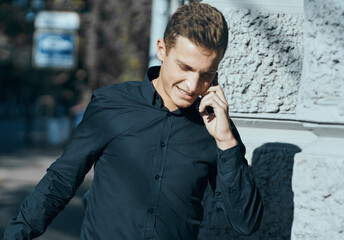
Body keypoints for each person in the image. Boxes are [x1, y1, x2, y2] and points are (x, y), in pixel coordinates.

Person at [4, 3, 263, 239]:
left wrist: (227, 142)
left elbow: (245, 222)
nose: (193, 85)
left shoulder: (217, 128)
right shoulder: (111, 104)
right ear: (162, 50)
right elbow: (61, 181)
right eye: (185, 68)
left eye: (206, 74)